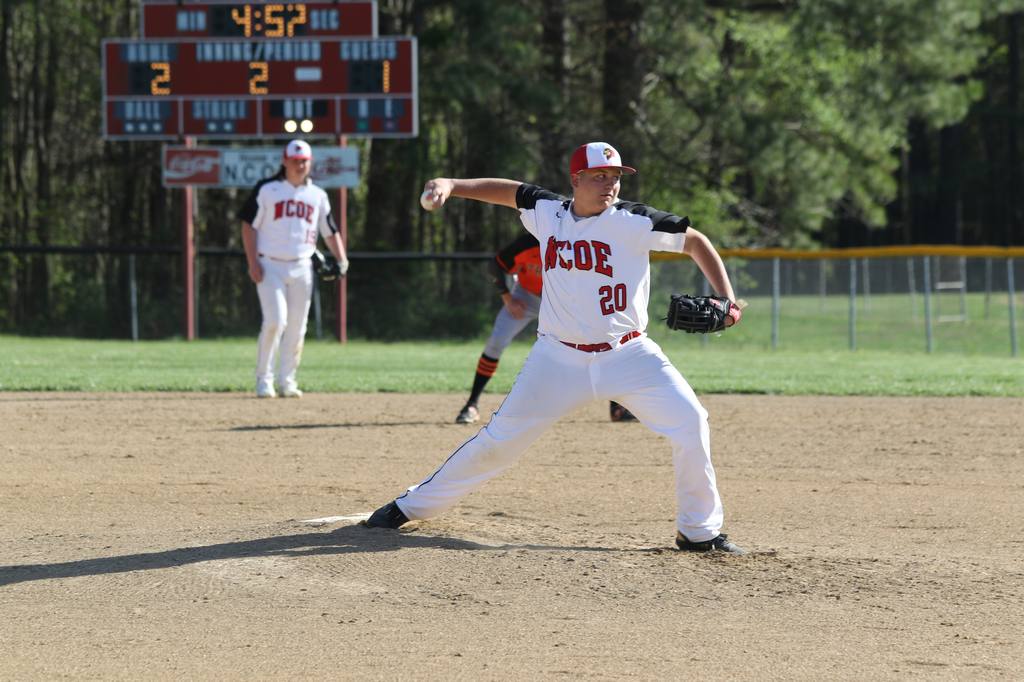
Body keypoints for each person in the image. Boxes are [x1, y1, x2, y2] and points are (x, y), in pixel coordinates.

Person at [365, 142, 745, 554]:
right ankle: (408, 507)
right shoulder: (548, 212)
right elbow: (507, 191)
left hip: (631, 355)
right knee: (498, 442)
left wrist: (728, 300)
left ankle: (699, 531)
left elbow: (696, 242)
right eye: (600, 176)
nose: (610, 184)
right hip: (557, 359)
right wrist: (451, 184)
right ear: (576, 179)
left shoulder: (634, 221)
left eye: (616, 176)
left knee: (691, 422)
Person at [455, 234, 637, 424]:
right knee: (495, 343)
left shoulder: (575, 241)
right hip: (525, 297)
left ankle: (617, 407)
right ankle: (471, 404)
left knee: (600, 342)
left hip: (565, 302)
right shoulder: (528, 243)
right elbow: (495, 266)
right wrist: (508, 299)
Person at [238, 140, 349, 398]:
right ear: (284, 161)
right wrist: (252, 261)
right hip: (269, 264)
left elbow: (330, 231)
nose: (300, 165)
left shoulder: (317, 196)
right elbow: (248, 225)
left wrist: (342, 259)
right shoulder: (267, 190)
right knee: (276, 321)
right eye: (296, 160)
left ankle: (287, 379)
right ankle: (263, 379)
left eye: (304, 161)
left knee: (298, 326)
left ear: (310, 163)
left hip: (302, 267)